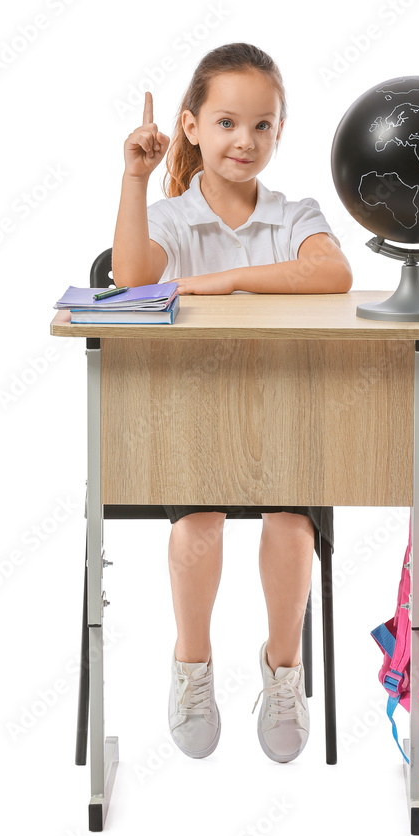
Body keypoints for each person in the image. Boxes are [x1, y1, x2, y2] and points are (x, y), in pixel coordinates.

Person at [112, 42, 353, 764]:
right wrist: (133, 178)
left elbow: (332, 272)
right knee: (201, 524)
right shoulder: (171, 219)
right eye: (225, 123)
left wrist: (223, 283)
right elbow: (129, 279)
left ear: (277, 134)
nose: (244, 141)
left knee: (292, 526)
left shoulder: (293, 211)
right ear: (190, 126)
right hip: (191, 418)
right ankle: (193, 665)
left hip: (284, 413)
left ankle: (283, 670)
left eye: (261, 127)